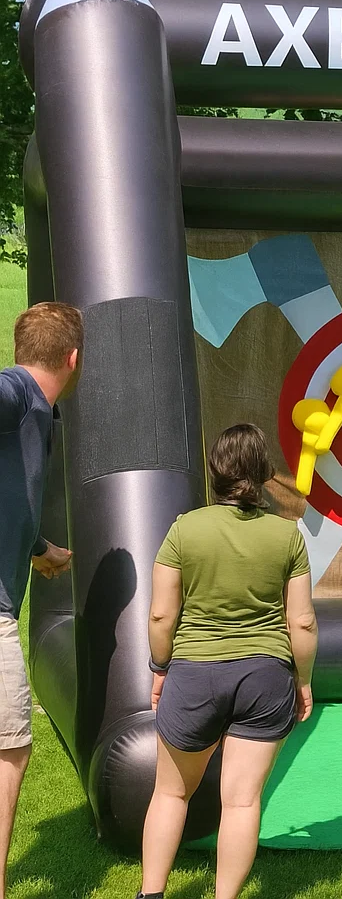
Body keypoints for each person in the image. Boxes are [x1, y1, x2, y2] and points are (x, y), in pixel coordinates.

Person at [139, 424, 318, 899]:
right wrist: (303, 681)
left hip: (194, 673)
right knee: (241, 802)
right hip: (265, 676)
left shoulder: (183, 529)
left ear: (214, 472)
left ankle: (151, 893)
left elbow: (161, 614)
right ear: (262, 473)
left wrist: (160, 669)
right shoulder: (287, 536)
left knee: (171, 793)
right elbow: (301, 624)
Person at [0, 302, 80, 899]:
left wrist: (38, 547)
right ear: (73, 358)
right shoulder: (17, 393)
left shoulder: (34, 413)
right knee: (9, 749)